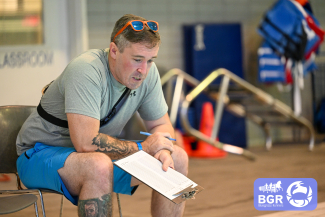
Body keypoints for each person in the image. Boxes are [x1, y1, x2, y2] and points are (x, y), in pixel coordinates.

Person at [16, 14, 188, 217]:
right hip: (38, 155)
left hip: (93, 157)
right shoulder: (86, 69)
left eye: (150, 60)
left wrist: (163, 149)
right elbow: (85, 143)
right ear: (114, 50)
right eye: (137, 59)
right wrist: (146, 147)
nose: (143, 70)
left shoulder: (148, 74)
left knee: (178, 156)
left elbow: (161, 125)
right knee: (98, 165)